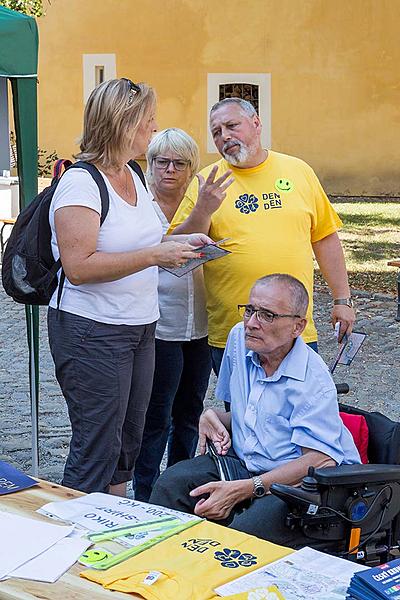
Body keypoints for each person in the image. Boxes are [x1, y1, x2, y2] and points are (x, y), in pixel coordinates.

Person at [47, 79, 210, 495]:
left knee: (127, 446)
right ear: (122, 124)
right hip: (91, 330)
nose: (153, 130)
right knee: (97, 446)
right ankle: (77, 535)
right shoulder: (80, 183)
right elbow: (79, 266)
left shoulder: (133, 175)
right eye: (147, 121)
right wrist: (156, 256)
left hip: (140, 328)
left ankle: (112, 525)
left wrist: (183, 242)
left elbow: (150, 241)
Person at [150, 274, 361, 546]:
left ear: (298, 326)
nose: (251, 323)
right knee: (171, 485)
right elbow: (252, 415)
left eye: (267, 315)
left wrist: (247, 489)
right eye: (249, 310)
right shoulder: (239, 339)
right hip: (249, 463)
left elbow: (320, 460)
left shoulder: (313, 379)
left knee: (240, 537)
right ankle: (162, 570)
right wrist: (213, 417)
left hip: (300, 483)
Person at [170, 97, 356, 375]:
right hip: (236, 332)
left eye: (232, 125)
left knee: (300, 413)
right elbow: (175, 251)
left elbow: (325, 238)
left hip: (293, 329)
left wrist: (342, 299)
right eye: (217, 132)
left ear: (256, 124)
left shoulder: (298, 171)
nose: (225, 136)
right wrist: (203, 210)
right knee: (241, 415)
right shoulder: (206, 182)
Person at [133, 129, 212, 501]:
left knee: (191, 410)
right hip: (158, 322)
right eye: (161, 162)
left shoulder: (198, 197)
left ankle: (183, 485)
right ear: (149, 165)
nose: (169, 170)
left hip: (199, 321)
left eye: (179, 163)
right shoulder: (139, 201)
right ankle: (147, 490)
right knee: (156, 414)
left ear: (190, 167)